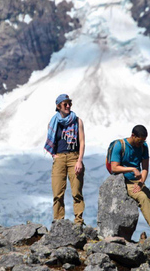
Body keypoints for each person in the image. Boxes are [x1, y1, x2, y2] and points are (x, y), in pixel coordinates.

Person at [110, 125, 150, 235]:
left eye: (143, 141)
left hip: (138, 181)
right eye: (139, 141)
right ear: (133, 135)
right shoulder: (119, 145)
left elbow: (145, 167)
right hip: (123, 181)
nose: (141, 144)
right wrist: (132, 169)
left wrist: (141, 182)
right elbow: (114, 167)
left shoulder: (143, 146)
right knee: (142, 197)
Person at [44, 94, 85, 225]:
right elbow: (51, 141)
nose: (68, 106)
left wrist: (79, 160)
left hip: (74, 157)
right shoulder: (53, 122)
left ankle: (78, 221)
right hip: (60, 158)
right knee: (57, 192)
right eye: (65, 104)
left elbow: (82, 142)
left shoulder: (77, 121)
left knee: (76, 192)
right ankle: (58, 221)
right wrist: (54, 155)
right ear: (58, 106)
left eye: (69, 103)